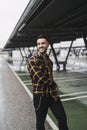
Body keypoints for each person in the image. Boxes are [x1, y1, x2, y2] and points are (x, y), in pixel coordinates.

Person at [27, 34, 69, 130]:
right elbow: (40, 78)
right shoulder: (32, 60)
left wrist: (54, 87)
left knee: (62, 118)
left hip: (52, 94)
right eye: (38, 44)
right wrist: (54, 84)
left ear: (48, 44)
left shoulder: (49, 61)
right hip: (40, 95)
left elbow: (49, 77)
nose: (40, 45)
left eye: (43, 43)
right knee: (40, 122)